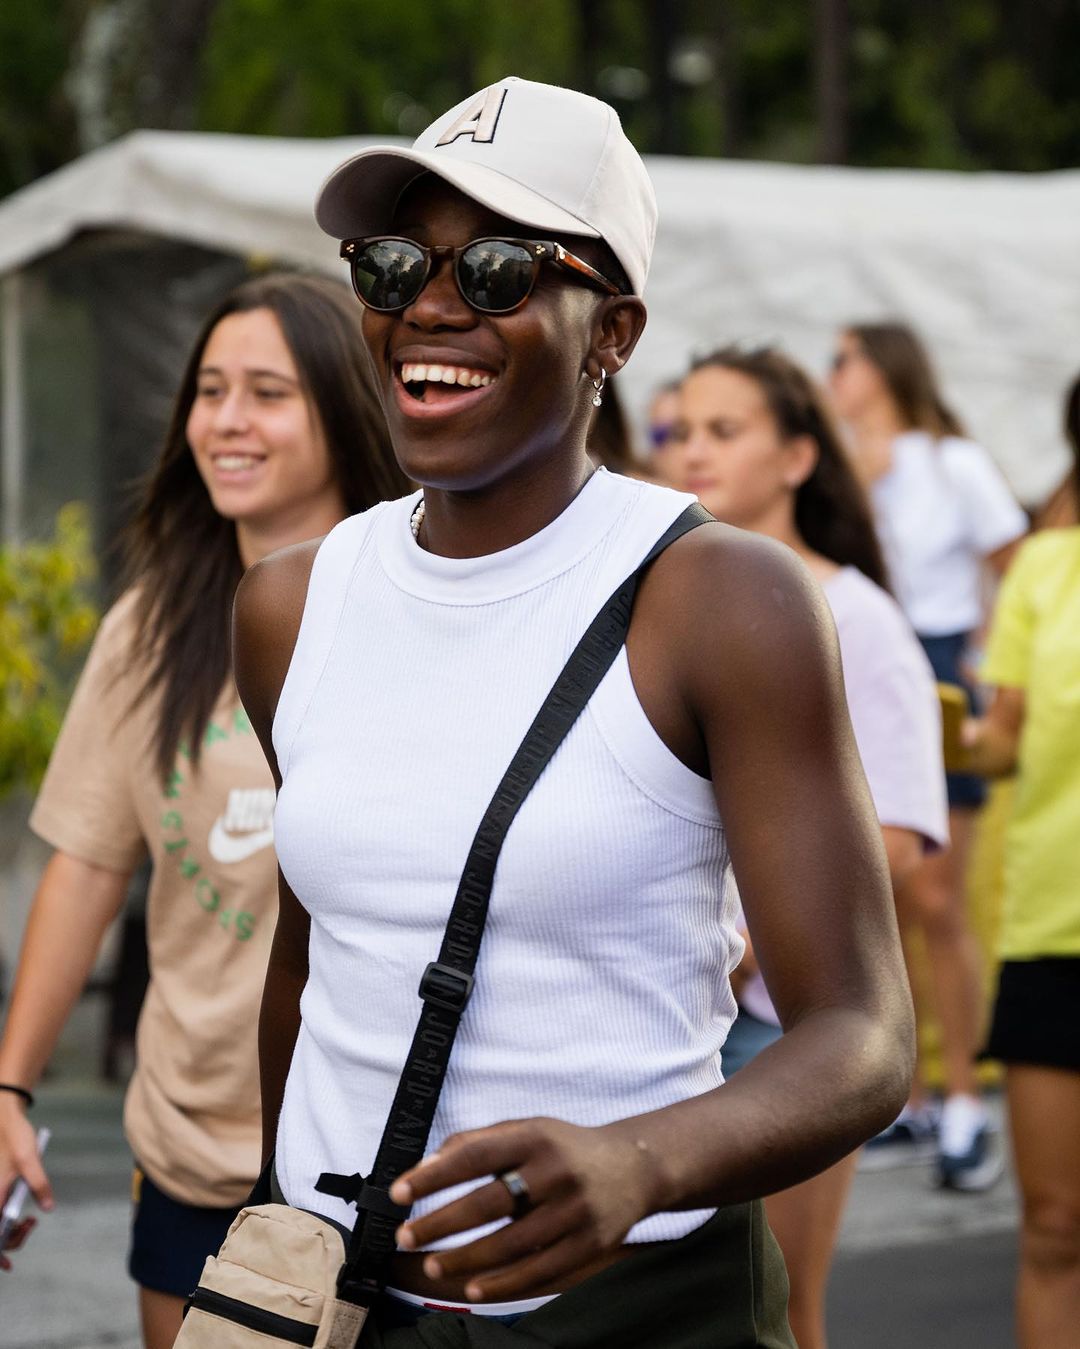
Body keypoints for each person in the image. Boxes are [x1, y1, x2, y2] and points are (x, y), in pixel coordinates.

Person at [233, 77, 914, 1346]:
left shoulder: (720, 598)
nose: (430, 304)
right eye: (391, 265)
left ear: (613, 330)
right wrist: (280, 1221)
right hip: (345, 1297)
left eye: (496, 268)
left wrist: (641, 1162)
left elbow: (863, 1034)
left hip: (636, 1306)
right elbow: (311, 959)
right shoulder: (290, 604)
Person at [0, 273, 407, 1347]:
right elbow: (87, 862)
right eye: (210, 389)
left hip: (382, 1137)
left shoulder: (415, 605)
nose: (227, 420)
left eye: (267, 392)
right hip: (194, 1133)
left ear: (343, 409)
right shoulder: (153, 624)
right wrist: (9, 1084)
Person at [666, 345, 948, 1349]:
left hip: (784, 1030)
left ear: (796, 457)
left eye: (723, 430)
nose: (692, 450)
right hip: (652, 1019)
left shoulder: (858, 616)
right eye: (678, 430)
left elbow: (905, 836)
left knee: (777, 1318)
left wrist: (745, 933)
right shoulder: (641, 599)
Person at [828, 320, 1027, 1189]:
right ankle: (906, 1100)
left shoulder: (951, 461)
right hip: (866, 660)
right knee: (883, 890)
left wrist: (992, 650)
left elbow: (1012, 557)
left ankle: (966, 1106)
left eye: (844, 360)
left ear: (883, 369)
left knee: (938, 895)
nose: (832, 374)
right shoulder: (844, 456)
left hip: (938, 661)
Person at [964, 372, 1080, 1347]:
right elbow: (1002, 741)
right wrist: (938, 733)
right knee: (1054, 1225)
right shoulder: (1046, 567)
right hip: (1054, 924)